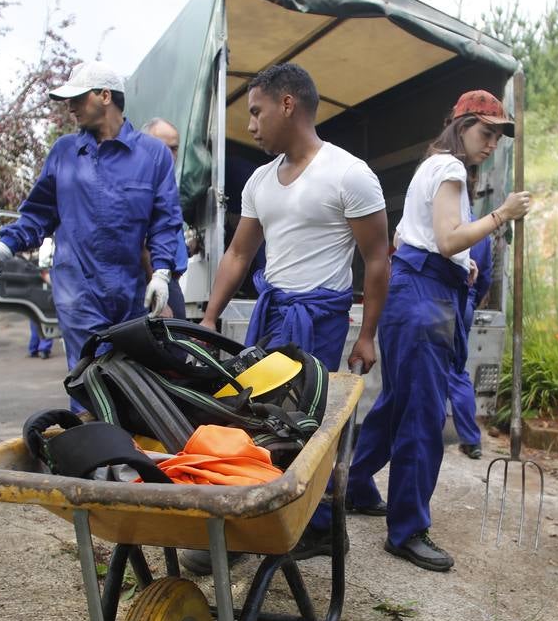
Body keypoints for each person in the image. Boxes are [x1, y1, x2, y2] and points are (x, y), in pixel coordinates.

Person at [182, 62, 391, 575]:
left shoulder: (349, 174)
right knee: (248, 416)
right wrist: (209, 318)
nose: (250, 125)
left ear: (288, 104)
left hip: (318, 319)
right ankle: (246, 519)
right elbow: (237, 253)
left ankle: (313, 527)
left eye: (256, 112)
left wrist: (367, 336)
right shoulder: (259, 180)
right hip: (272, 314)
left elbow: (378, 259)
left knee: (307, 427)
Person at [346, 90, 531, 571]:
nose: (492, 143)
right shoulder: (450, 169)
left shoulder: (433, 166)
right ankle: (406, 530)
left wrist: (465, 267)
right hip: (424, 294)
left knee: (396, 405)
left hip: (419, 288)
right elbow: (447, 240)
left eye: (498, 135)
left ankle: (354, 485)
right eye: (486, 132)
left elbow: (424, 237)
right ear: (461, 124)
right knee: (424, 417)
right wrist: (502, 215)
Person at [0, 62, 182, 378]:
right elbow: (39, 213)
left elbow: (165, 220)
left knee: (133, 382)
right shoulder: (65, 152)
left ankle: (116, 427)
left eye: (78, 98)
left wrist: (161, 273)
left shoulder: (153, 156)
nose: (70, 108)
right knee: (89, 378)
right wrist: (5, 245)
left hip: (131, 292)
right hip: (77, 290)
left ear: (105, 96)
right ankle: (90, 426)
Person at [449, 235, 494, 459]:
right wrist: (471, 301)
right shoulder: (481, 233)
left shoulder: (444, 222)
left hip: (442, 299)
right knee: (456, 370)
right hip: (466, 302)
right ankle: (471, 440)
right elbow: (485, 277)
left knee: (432, 368)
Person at [141, 117, 189, 318]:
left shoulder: (165, 184)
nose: (169, 154)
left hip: (171, 282)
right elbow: (140, 246)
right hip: (157, 284)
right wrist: (159, 299)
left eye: (174, 148)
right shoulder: (142, 186)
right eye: (162, 147)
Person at [27, 238, 55, 359]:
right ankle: (43, 349)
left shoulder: (33, 262)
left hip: (36, 294)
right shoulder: (57, 260)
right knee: (48, 319)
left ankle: (34, 348)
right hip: (49, 293)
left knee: (36, 320)